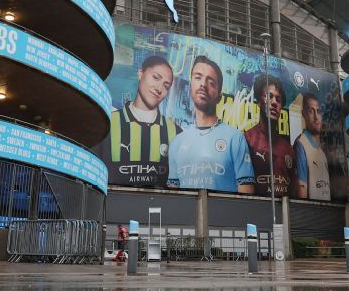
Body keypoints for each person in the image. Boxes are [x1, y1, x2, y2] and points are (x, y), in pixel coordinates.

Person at [167, 56, 254, 193]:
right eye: (198, 77)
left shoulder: (235, 138)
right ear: (190, 87)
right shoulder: (177, 142)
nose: (203, 84)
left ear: (219, 97)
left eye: (211, 82)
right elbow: (174, 199)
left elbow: (247, 197)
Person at [100, 55, 180, 187]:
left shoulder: (176, 133)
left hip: (162, 205)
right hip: (113, 203)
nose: (159, 88)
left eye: (166, 85)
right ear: (140, 74)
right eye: (156, 77)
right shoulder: (107, 123)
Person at [243, 73, 298, 198]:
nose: (274, 102)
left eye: (278, 100)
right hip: (256, 212)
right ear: (259, 102)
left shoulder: (288, 148)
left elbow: (293, 190)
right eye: (269, 96)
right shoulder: (247, 139)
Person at [293, 92, 331, 201]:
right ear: (303, 114)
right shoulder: (301, 144)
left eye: (318, 111)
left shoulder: (322, 152)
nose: (316, 117)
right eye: (311, 111)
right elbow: (302, 189)